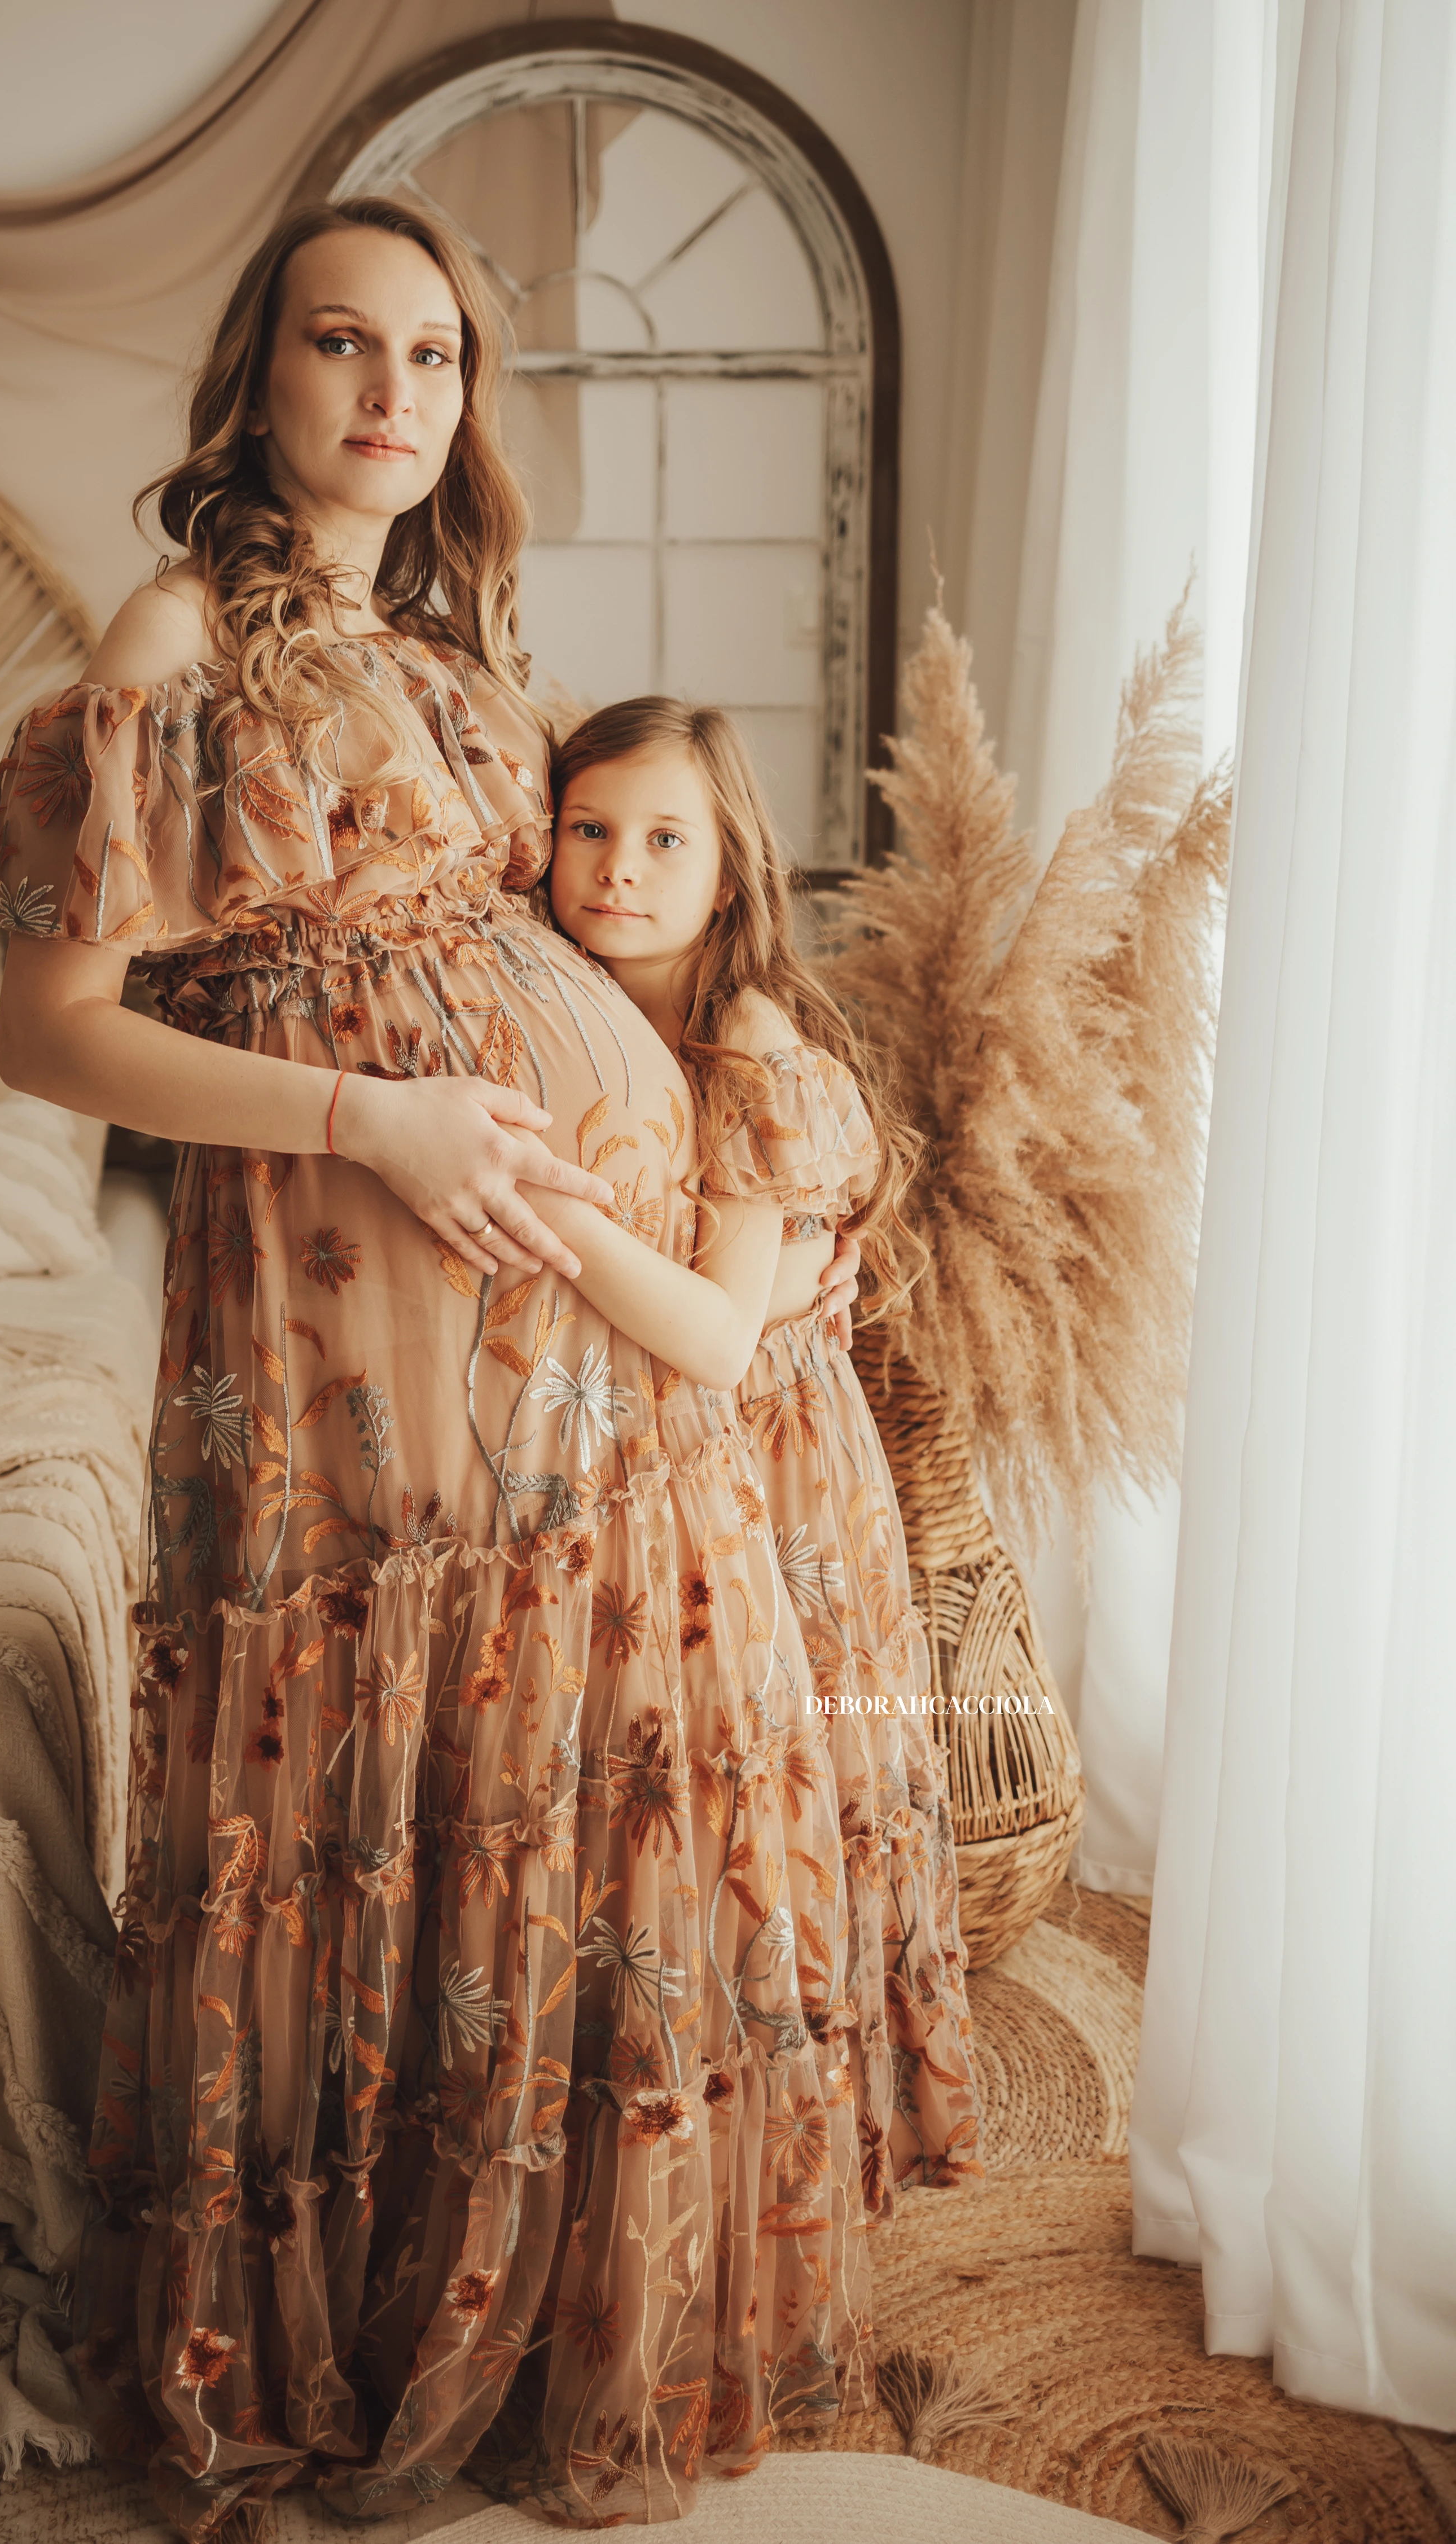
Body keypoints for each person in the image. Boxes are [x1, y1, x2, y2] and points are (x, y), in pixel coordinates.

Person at [0, 199, 863, 2537]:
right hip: (326, 1299)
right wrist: (368, 1113)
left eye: (437, 356)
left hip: (547, 1312)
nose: (391, 391)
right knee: (345, 1769)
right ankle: (327, 2320)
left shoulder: (463, 649)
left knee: (525, 1773)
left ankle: (516, 2301)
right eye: (339, 343)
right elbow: (53, 1029)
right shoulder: (177, 635)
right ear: (256, 376)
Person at [536, 698, 984, 2213]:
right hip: (695, 1435)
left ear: (729, 871)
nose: (617, 868)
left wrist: (559, 1223)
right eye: (587, 827)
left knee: (768, 1783)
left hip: (770, 1459)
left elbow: (723, 1338)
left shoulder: (743, 1039)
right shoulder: (591, 1006)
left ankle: (796, 2130)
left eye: (666, 839)